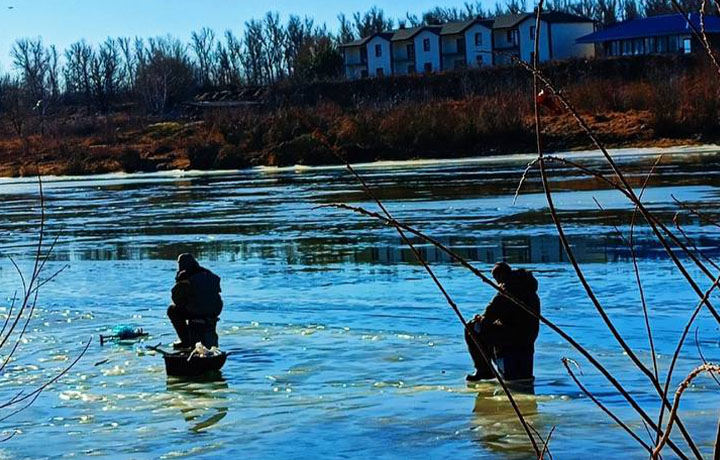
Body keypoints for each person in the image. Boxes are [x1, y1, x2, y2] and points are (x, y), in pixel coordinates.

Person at [465, 262, 540, 381]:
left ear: (500, 276)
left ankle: (484, 370)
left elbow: (490, 316)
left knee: (471, 327)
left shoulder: (507, 291)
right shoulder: (529, 289)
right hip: (529, 336)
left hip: (511, 337)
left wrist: (480, 320)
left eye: (496, 279)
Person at [167, 253, 223, 350]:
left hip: (197, 311)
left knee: (172, 310)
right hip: (215, 310)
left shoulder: (185, 276)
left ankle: (185, 341)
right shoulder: (209, 274)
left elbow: (176, 298)